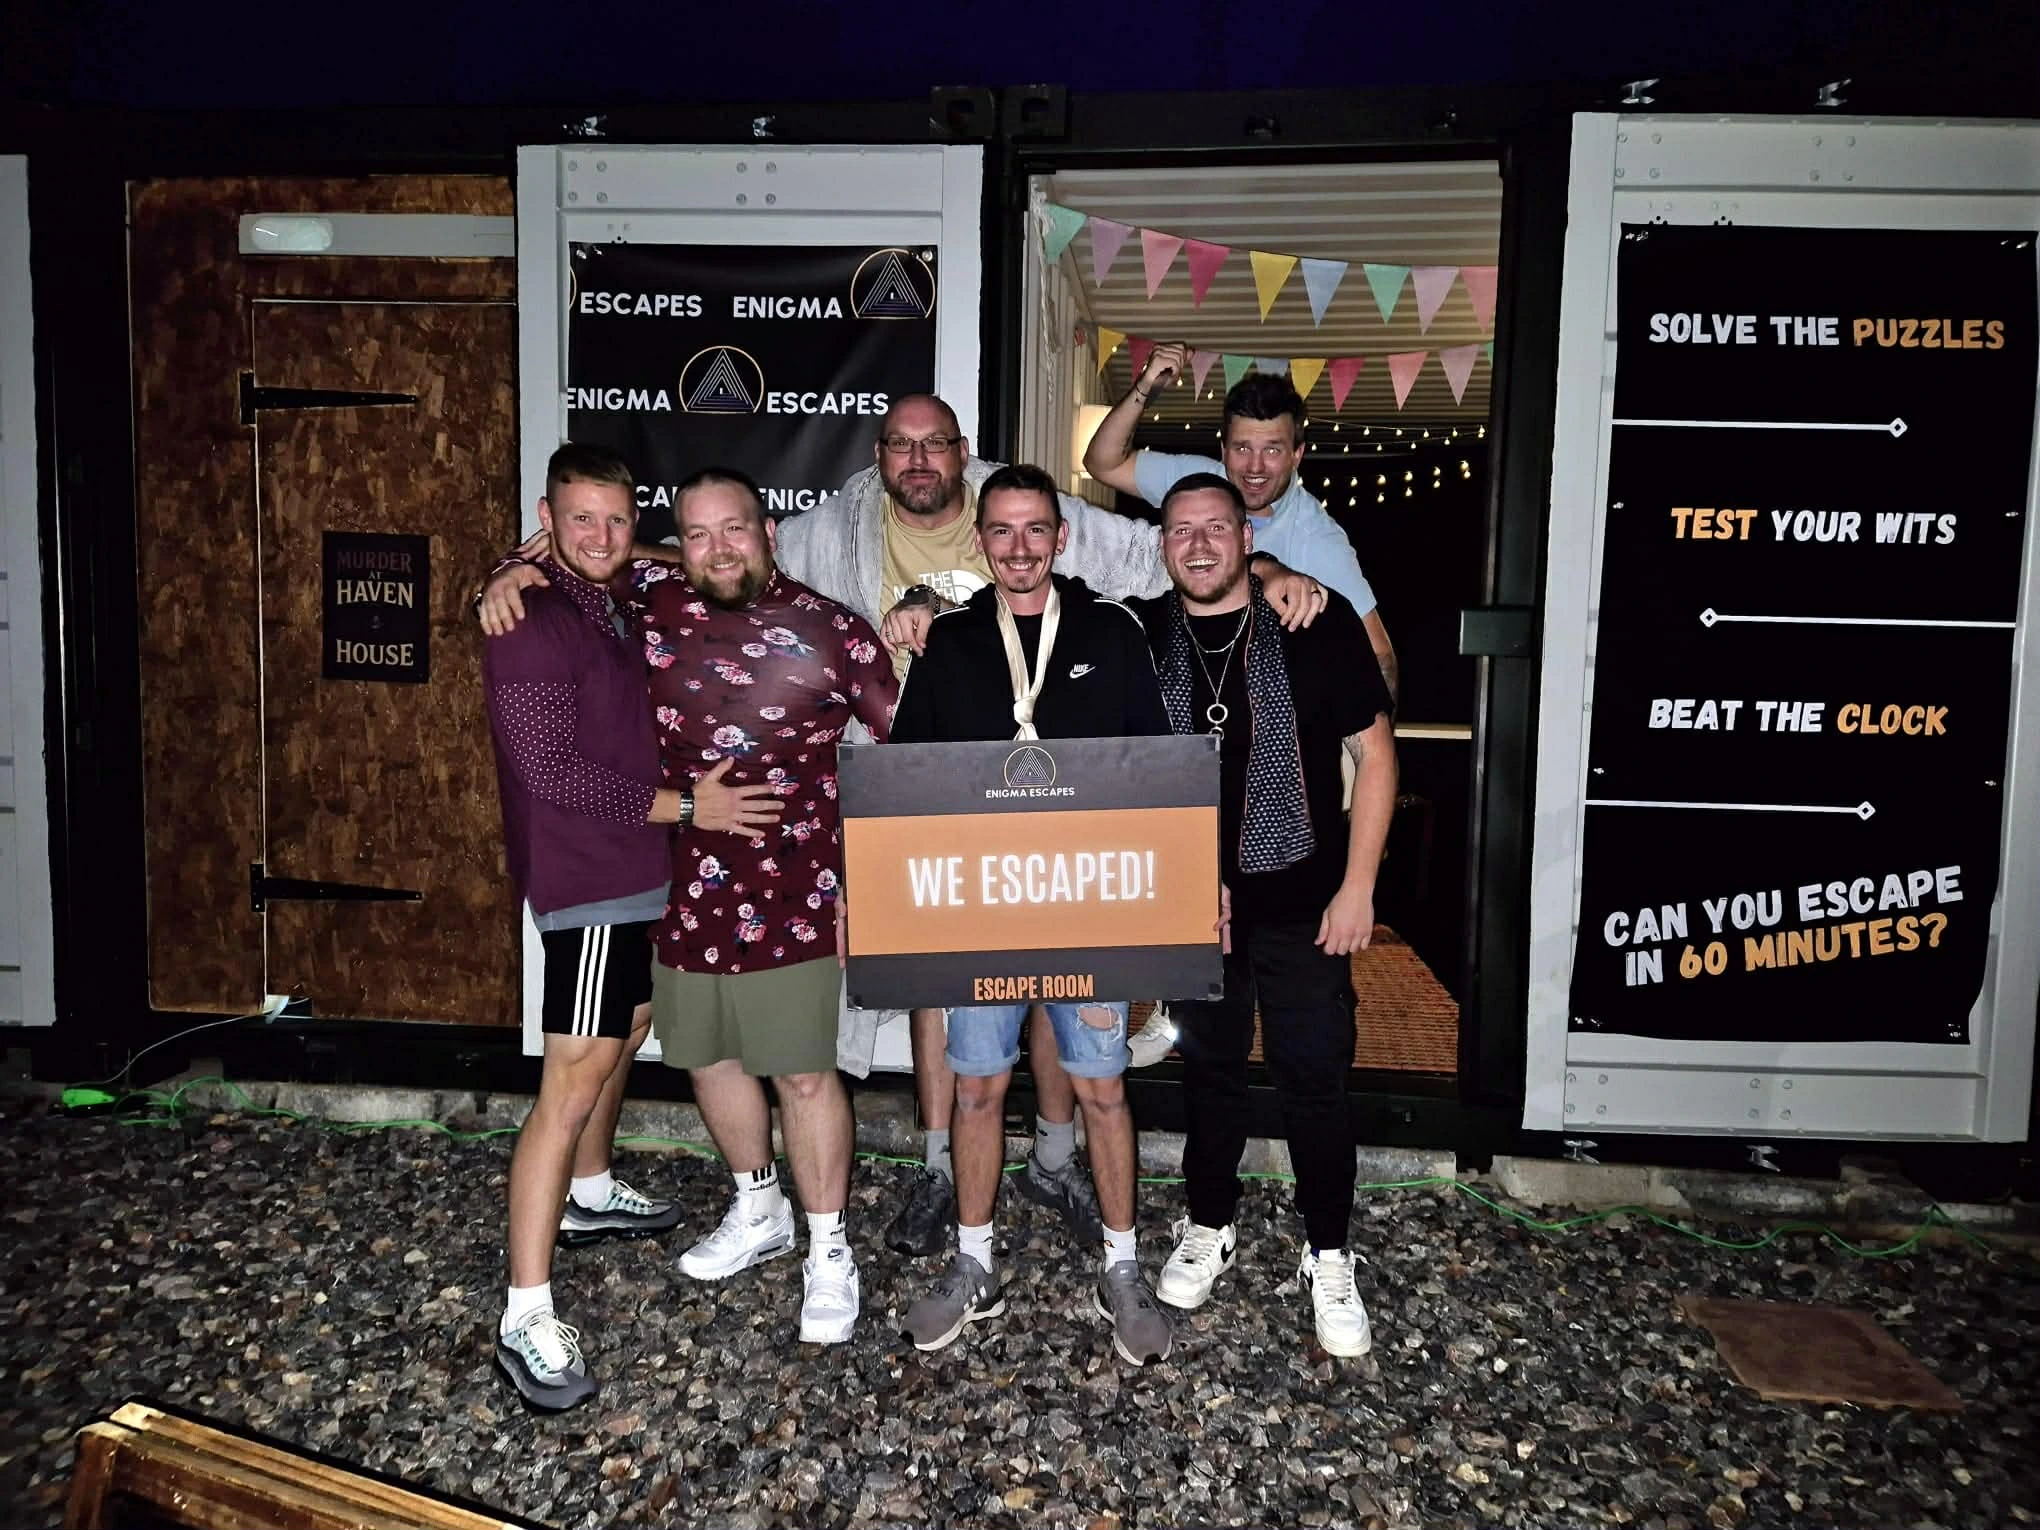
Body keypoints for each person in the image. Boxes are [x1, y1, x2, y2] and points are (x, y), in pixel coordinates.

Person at [474, 396, 1329, 1259]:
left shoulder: (1084, 598)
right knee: (928, 1038)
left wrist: (1268, 575)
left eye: (937, 446)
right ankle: (933, 1187)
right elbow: (674, 558)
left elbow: (1181, 553)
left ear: (970, 458)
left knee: (1073, 1035)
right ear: (880, 455)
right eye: (901, 445)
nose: (921, 461)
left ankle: (1075, 1190)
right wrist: (516, 565)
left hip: (1050, 854)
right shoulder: (814, 539)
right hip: (898, 845)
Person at [889, 464, 1175, 1366]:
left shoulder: (1111, 632)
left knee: (1102, 1088)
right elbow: (904, 781)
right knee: (977, 1087)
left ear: (1062, 536)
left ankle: (1123, 1267)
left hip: (1087, 905)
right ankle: (973, 1262)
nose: (1019, 548)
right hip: (983, 911)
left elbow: (1157, 774)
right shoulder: (948, 642)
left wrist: (1171, 896)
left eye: (1036, 530)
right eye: (1002, 532)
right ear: (981, 541)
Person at [1128, 473, 1397, 1359]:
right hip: (1192, 907)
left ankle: (1329, 1252)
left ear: (1249, 539)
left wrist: (1359, 888)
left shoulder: (1313, 628)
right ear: (1162, 545)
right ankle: (1210, 1223)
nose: (1198, 545)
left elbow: (1378, 757)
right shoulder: (1139, 637)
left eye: (1216, 528)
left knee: (1314, 1077)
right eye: (1181, 531)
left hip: (1306, 905)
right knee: (1208, 1075)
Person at [631, 468, 898, 1346]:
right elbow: (563, 561)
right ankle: (759, 1208)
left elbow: (913, 752)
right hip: (678, 880)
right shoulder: (647, 606)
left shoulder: (832, 633)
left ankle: (829, 1247)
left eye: (734, 529)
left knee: (803, 1070)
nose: (718, 548)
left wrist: (879, 883)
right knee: (706, 1056)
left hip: (800, 887)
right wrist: (507, 577)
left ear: (769, 530)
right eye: (698, 534)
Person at [481, 442, 687, 1412]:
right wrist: (685, 811)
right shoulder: (528, 619)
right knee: (571, 1076)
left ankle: (593, 1190)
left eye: (617, 519)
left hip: (636, 872)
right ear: (546, 516)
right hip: (591, 879)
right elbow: (551, 774)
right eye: (581, 522)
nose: (602, 538)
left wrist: (623, 553)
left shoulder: (612, 589)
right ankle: (525, 1312)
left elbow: (675, 560)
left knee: (630, 1029)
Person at [1082, 349, 1399, 703]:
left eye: (1273, 450)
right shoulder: (1198, 482)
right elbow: (1102, 464)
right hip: (1176, 690)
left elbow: (1379, 656)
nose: (1255, 467)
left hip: (1268, 720)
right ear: (1223, 449)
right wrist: (1146, 387)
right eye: (1242, 448)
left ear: (1297, 454)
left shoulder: (1318, 540)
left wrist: (1368, 751)